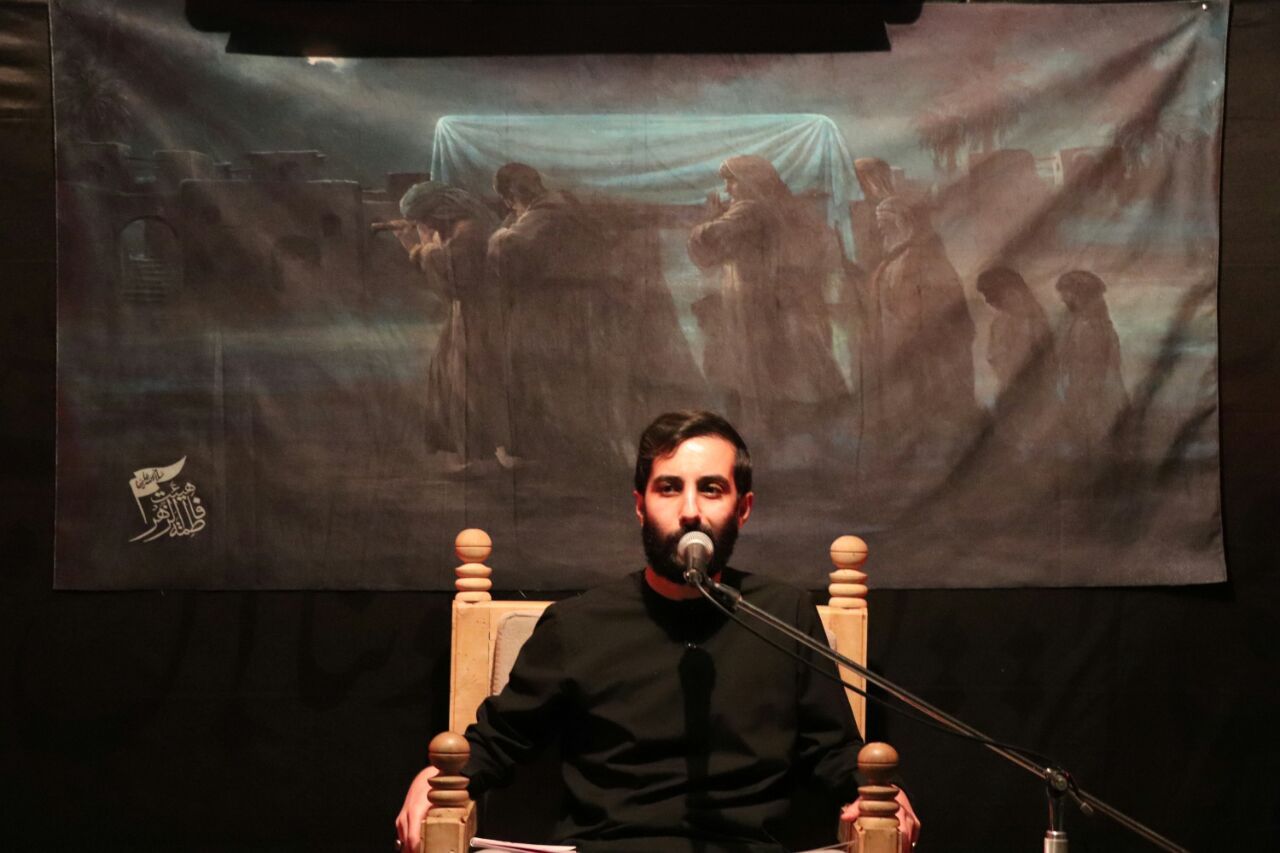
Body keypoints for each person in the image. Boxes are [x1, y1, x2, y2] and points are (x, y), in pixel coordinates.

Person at [396, 411, 920, 853]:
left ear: (743, 508)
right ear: (639, 504)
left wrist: (877, 794)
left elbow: (834, 752)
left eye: (711, 489)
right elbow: (497, 743)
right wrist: (436, 780)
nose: (690, 511)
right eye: (669, 488)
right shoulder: (577, 625)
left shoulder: (784, 615)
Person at [687, 157, 848, 451]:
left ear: (751, 181)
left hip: (750, 299)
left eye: (732, 181)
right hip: (761, 296)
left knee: (751, 361)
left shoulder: (749, 208)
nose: (727, 188)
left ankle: (762, 430)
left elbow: (709, 239)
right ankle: (775, 427)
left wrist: (707, 219)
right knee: (766, 361)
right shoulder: (773, 207)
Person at [487, 163, 624, 463]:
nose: (509, 205)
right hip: (571, 306)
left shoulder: (544, 215)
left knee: (544, 372)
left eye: (508, 199)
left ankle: (557, 447)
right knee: (562, 373)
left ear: (511, 196)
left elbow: (507, 250)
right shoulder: (565, 205)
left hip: (550, 307)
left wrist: (500, 234)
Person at [393, 181, 512, 469]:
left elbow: (457, 282)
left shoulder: (468, 231)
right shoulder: (461, 227)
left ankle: (485, 453)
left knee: (472, 381)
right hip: (470, 314)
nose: (423, 224)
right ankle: (470, 452)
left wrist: (419, 249)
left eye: (423, 218)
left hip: (482, 315)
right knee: (453, 377)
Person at [975, 266, 1060, 458]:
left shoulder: (1032, 318)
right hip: (1010, 383)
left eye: (990, 294)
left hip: (1030, 385)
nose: (988, 301)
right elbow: (994, 353)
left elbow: (1040, 354)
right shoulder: (1002, 320)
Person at [1055, 270, 1129, 460]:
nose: (1063, 299)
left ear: (1080, 295)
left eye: (1067, 294)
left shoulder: (1094, 326)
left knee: (1095, 434)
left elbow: (1097, 363)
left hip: (1093, 390)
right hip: (1079, 388)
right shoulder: (1077, 322)